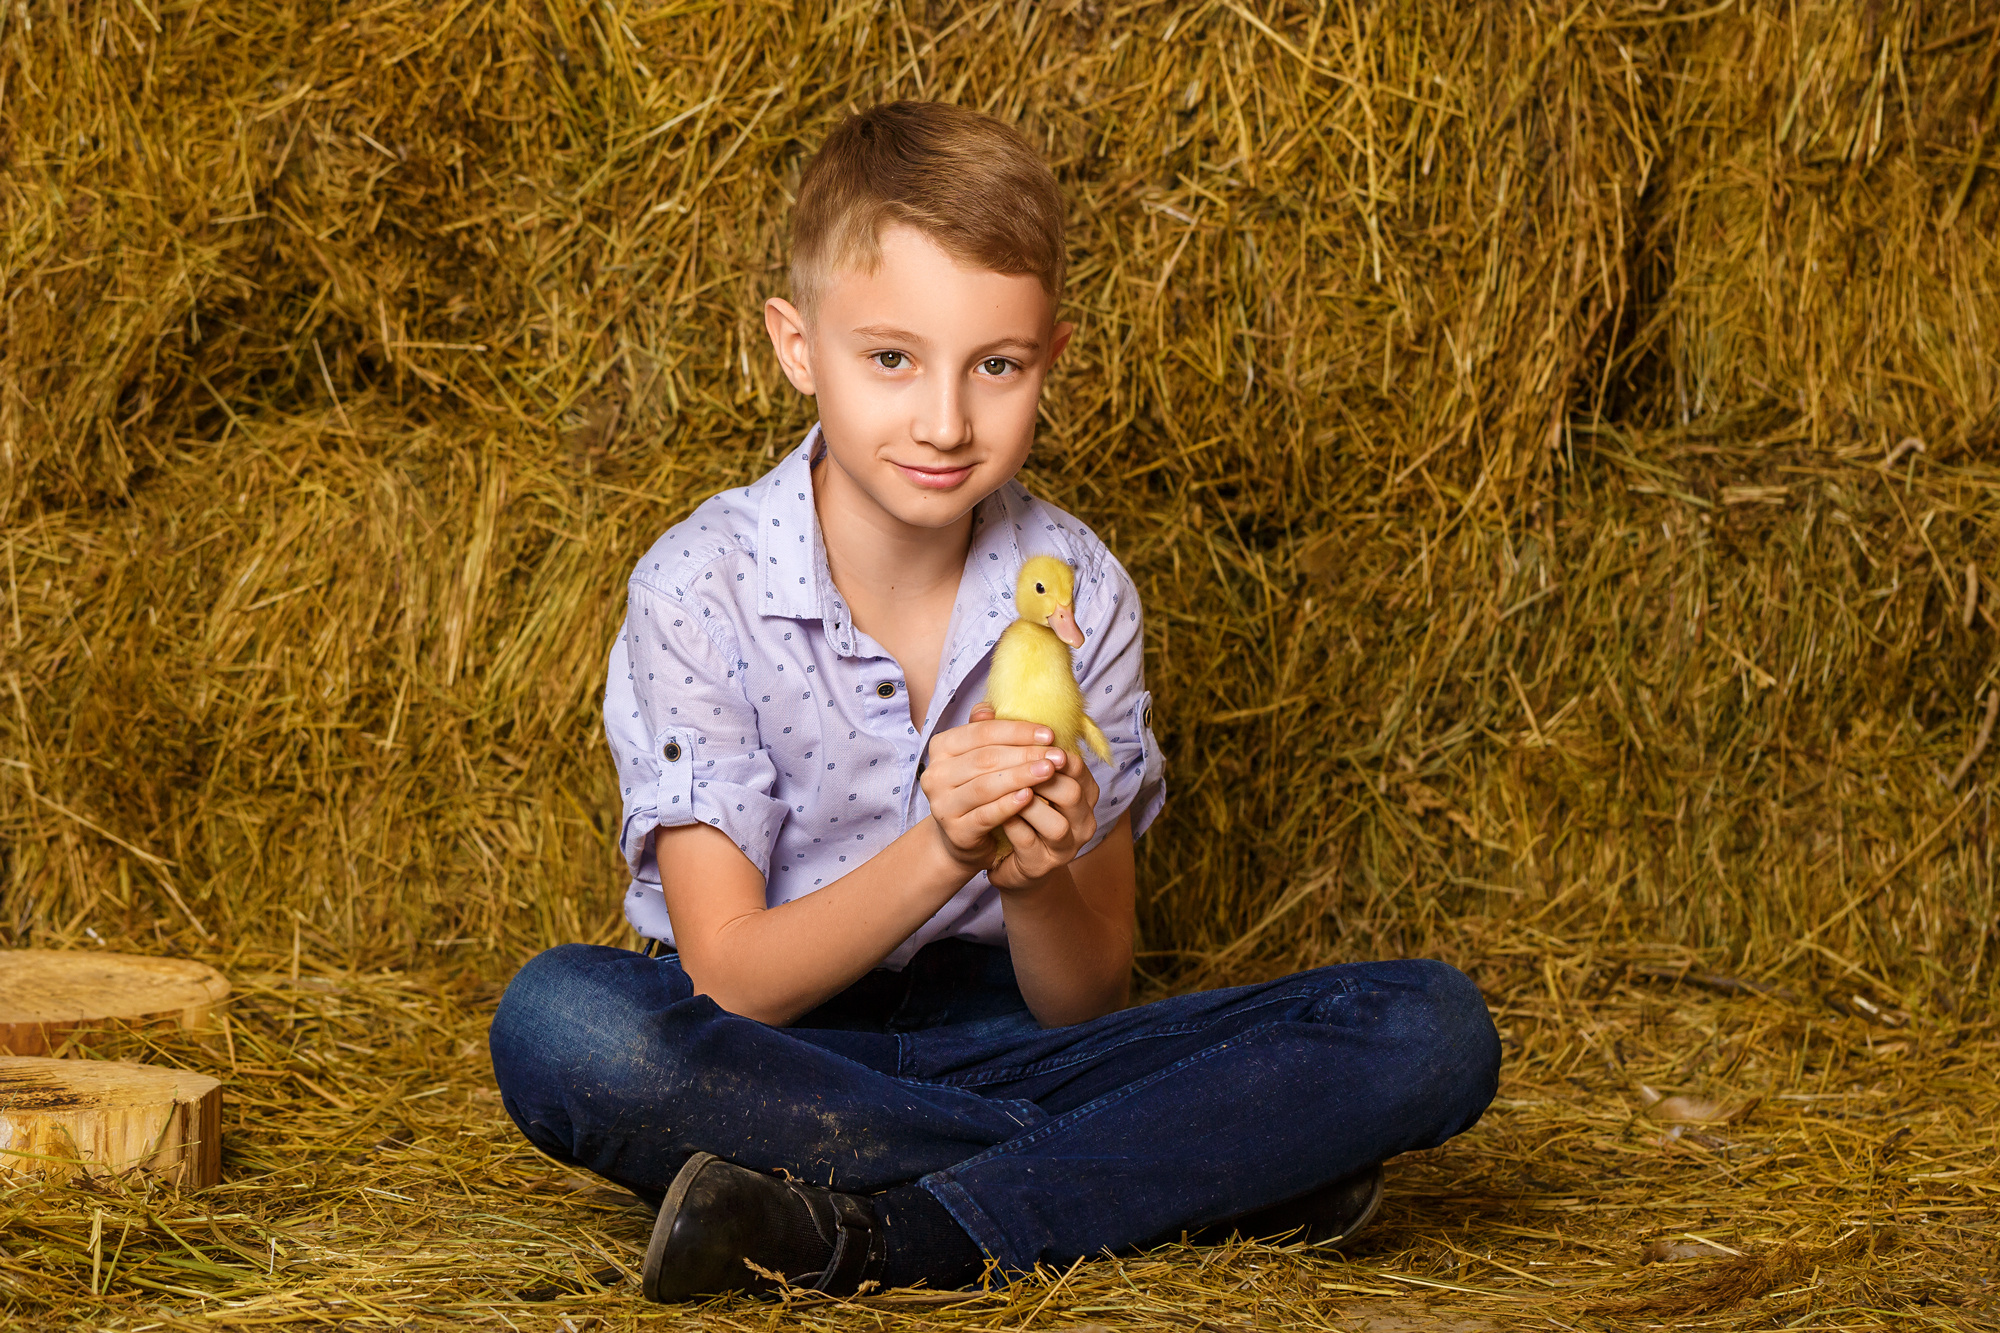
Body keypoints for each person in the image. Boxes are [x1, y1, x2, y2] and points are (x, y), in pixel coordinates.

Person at [488, 100, 1500, 1304]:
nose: (944, 420)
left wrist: (1030, 879)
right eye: (889, 358)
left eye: (997, 366)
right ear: (794, 345)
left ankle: (884, 1232)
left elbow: (1088, 995)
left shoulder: (1080, 592)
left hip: (1011, 1040)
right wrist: (941, 847)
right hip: (770, 1058)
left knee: (1428, 1027)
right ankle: (1169, 1177)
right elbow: (728, 983)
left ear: (1049, 357)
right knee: (564, 1026)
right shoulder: (697, 587)